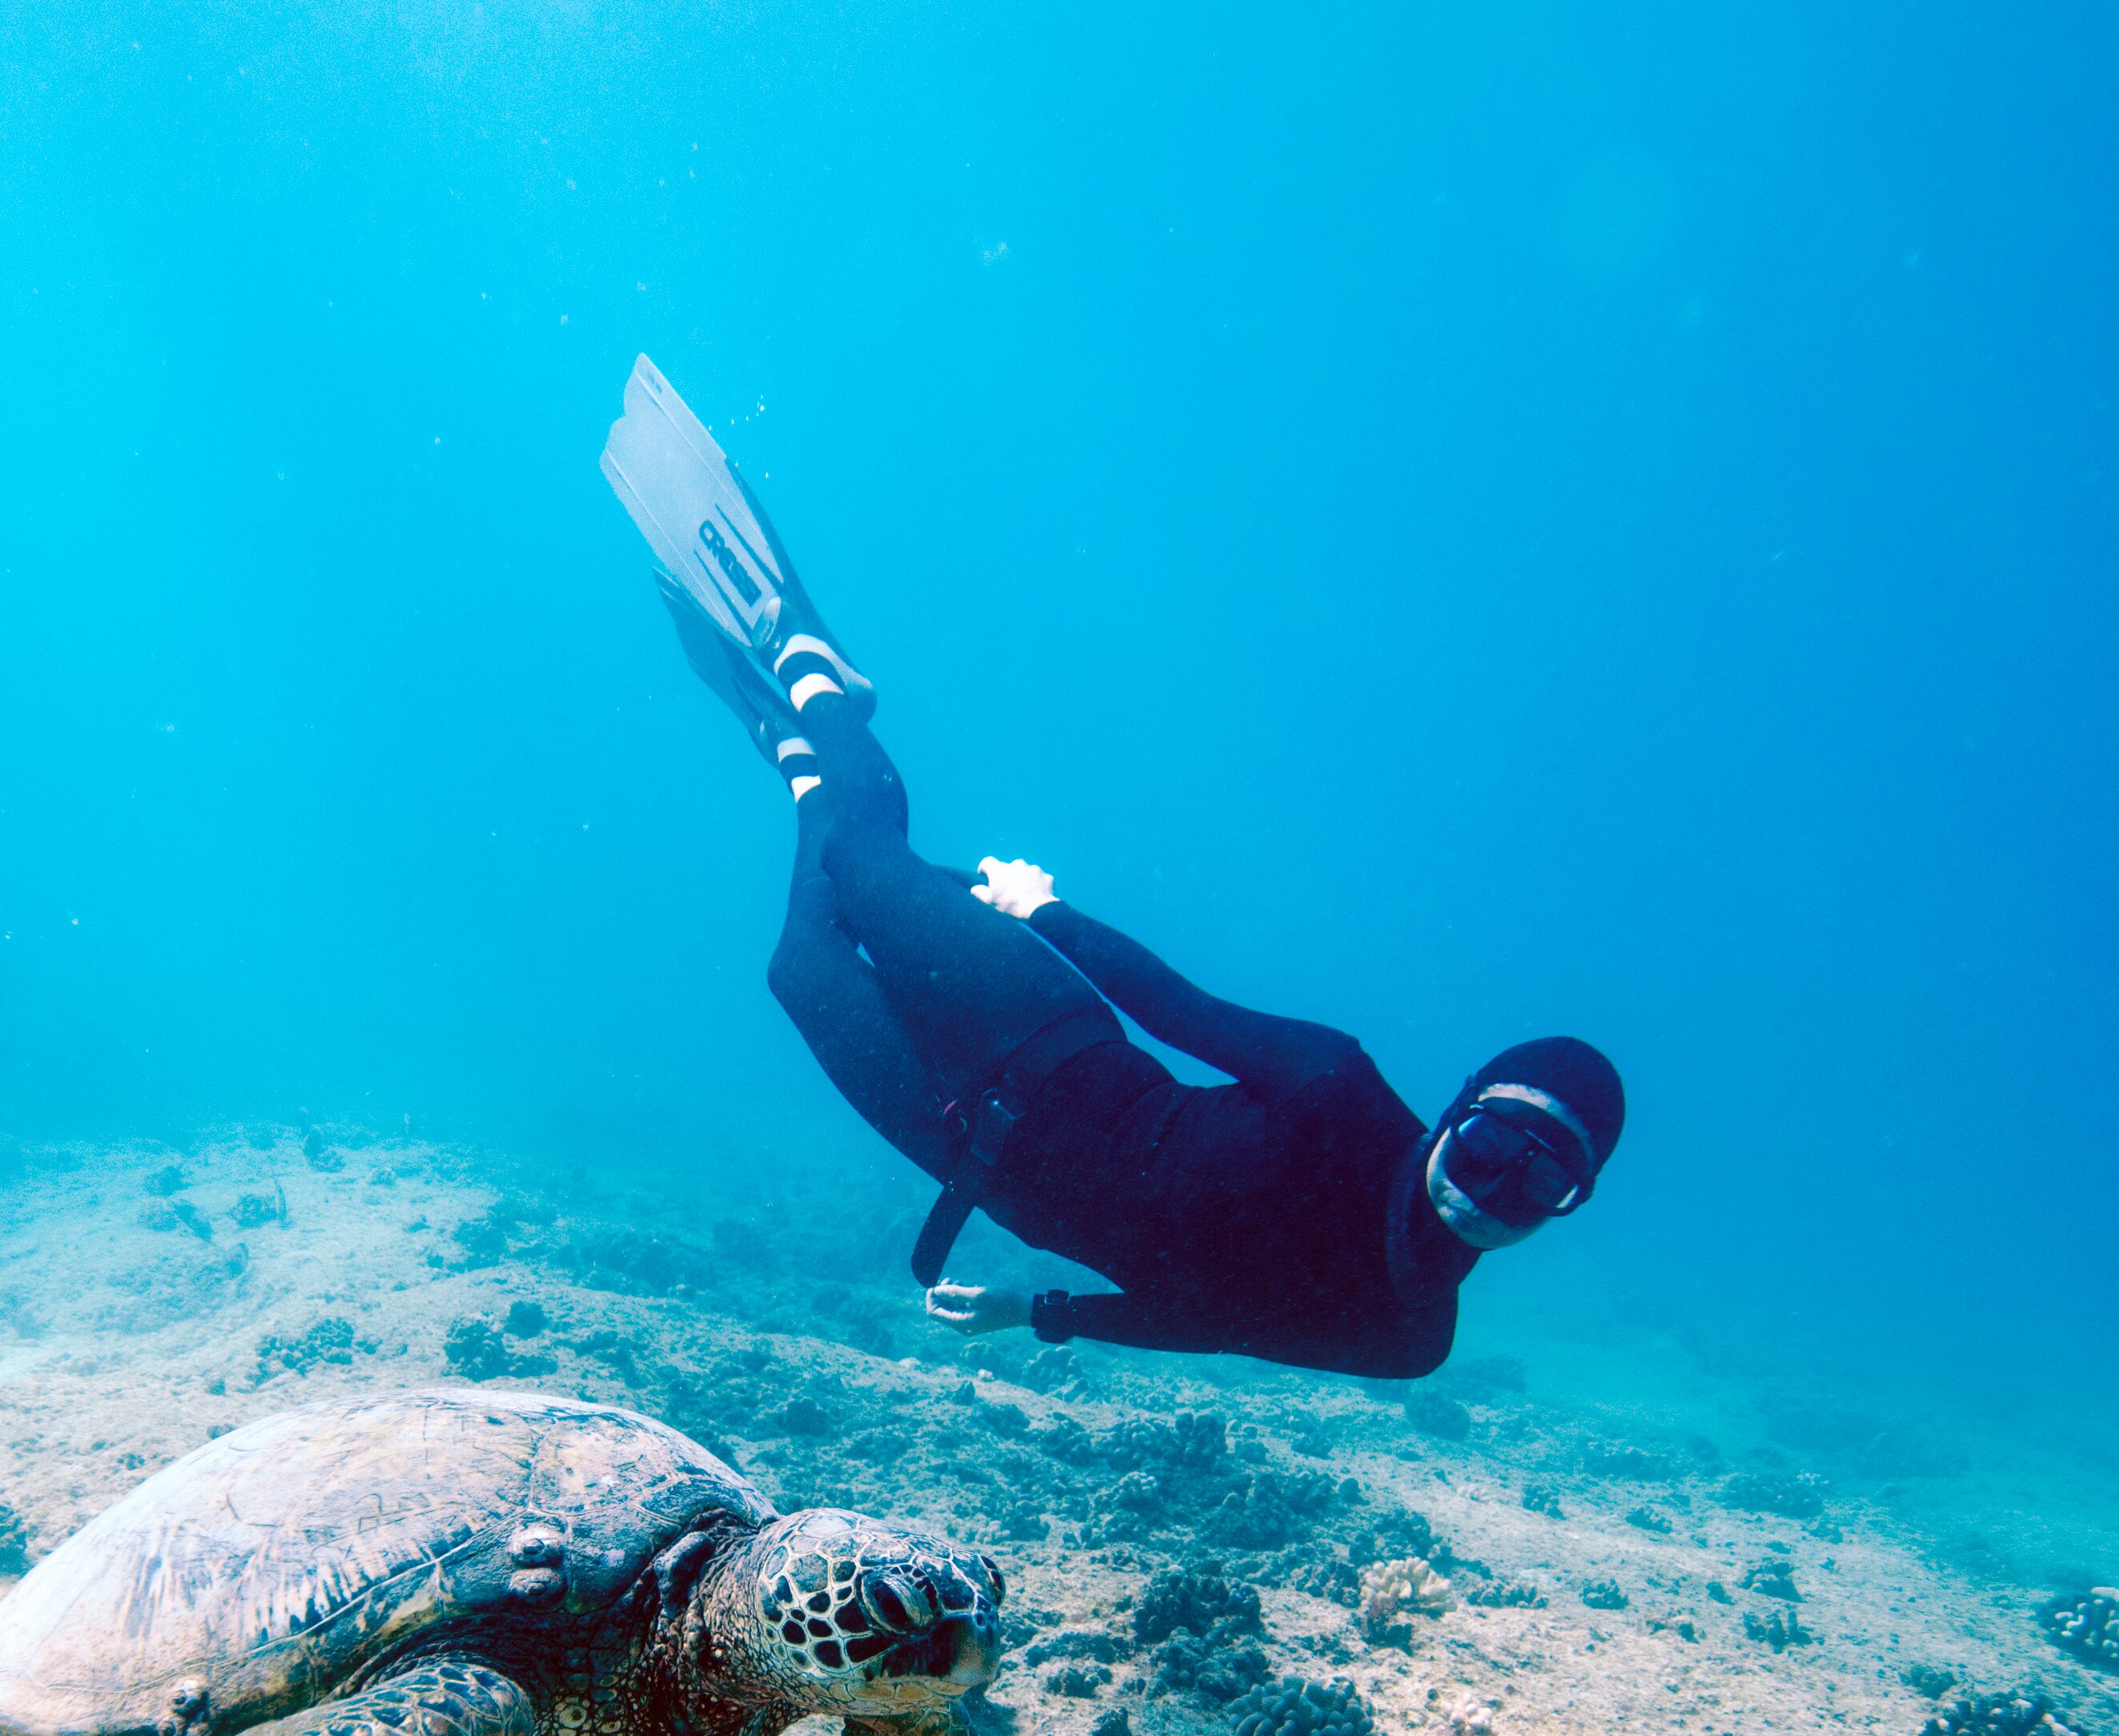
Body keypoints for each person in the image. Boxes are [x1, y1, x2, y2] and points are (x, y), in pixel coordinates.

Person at [598, 357, 1624, 1378]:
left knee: (796, 969)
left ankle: (797, 767)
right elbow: (1176, 1009)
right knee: (867, 859)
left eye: (1538, 1188)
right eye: (1492, 1149)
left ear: (1564, 1210)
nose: (1487, 1192)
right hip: (1037, 1029)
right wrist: (1045, 912)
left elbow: (1217, 1319)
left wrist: (1039, 1311)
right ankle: (807, 668)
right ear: (1459, 1111)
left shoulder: (1409, 1342)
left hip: (963, 1150)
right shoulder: (1338, 1095)